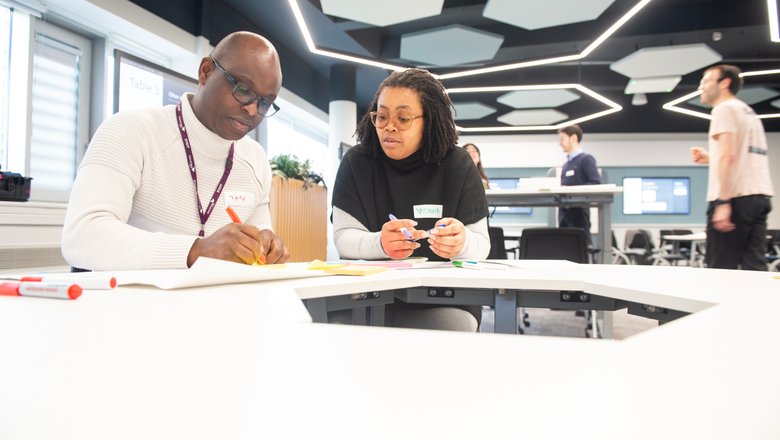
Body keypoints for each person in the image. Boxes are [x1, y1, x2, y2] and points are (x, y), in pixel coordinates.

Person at [62, 31, 289, 271]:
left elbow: (258, 244)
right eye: (243, 90)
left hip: (211, 303)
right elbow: (82, 236)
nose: (253, 110)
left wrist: (266, 247)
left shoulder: (254, 158)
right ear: (206, 71)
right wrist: (196, 250)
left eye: (265, 102)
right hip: (127, 303)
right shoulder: (131, 130)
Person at [331, 68, 490, 331]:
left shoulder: (457, 164)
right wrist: (379, 244)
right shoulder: (357, 163)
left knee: (449, 332)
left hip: (443, 298)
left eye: (403, 118)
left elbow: (481, 244)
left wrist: (461, 243)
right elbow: (344, 237)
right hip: (367, 293)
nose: (389, 126)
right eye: (381, 117)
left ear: (430, 120)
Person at [690, 64, 774, 270]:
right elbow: (742, 154)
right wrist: (711, 158)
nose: (701, 87)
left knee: (720, 268)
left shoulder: (723, 109)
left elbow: (729, 156)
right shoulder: (748, 111)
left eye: (706, 81)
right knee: (754, 267)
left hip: (736, 198)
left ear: (725, 83)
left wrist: (723, 201)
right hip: (759, 196)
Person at [557, 124, 601, 241]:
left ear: (574, 138)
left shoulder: (586, 159)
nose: (560, 143)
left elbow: (595, 183)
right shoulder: (566, 165)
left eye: (562, 139)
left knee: (581, 250)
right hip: (564, 214)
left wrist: (571, 190)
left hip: (579, 214)